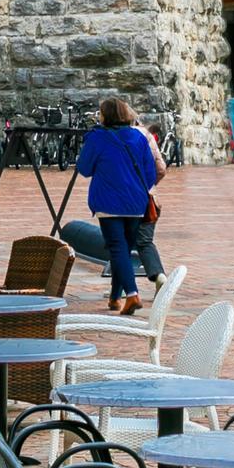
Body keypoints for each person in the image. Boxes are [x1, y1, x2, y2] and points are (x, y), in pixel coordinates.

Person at [74, 97, 165, 315]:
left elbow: (84, 168)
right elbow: (150, 172)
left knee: (117, 248)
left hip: (108, 201)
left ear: (105, 115)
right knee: (122, 249)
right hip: (136, 202)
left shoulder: (97, 138)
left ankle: (132, 294)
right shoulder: (138, 136)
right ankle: (115, 297)